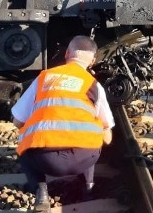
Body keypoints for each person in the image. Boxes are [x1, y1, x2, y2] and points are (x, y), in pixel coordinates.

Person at [11, 36, 114, 212]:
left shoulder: (45, 77)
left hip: (46, 161)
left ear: (67, 53)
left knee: (24, 143)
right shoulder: (94, 85)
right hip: (83, 158)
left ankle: (41, 192)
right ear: (92, 61)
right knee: (95, 137)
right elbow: (107, 136)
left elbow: (18, 121)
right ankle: (88, 186)